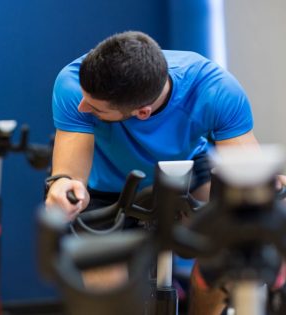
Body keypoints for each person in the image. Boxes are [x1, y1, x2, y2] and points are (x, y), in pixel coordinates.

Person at [44, 30, 282, 315]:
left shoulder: (215, 89)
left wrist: (261, 190)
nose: (83, 106)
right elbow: (70, 175)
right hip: (105, 185)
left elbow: (247, 177)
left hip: (188, 171)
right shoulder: (72, 83)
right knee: (106, 287)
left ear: (142, 112)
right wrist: (62, 185)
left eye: (94, 108)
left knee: (232, 245)